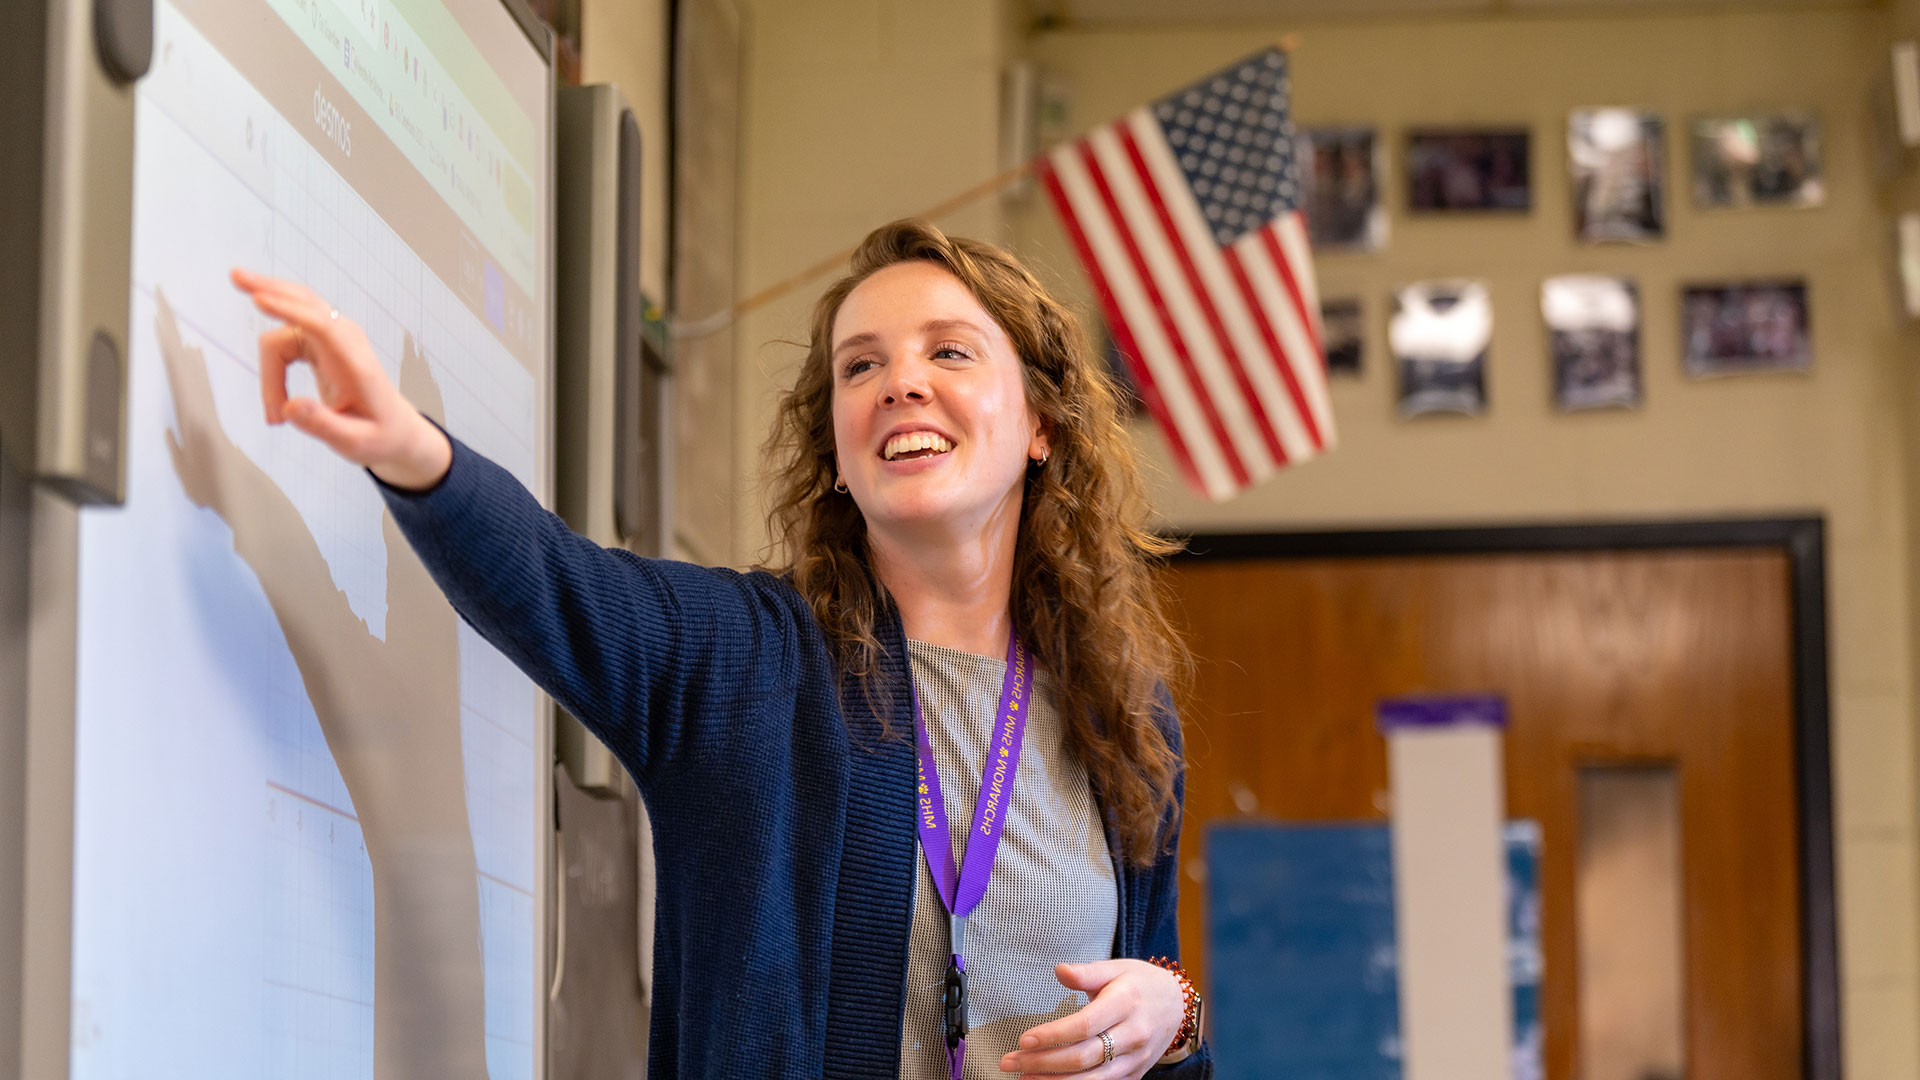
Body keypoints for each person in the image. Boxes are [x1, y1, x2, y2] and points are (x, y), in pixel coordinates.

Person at [228, 219, 1212, 1079]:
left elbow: (1154, 986)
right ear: (832, 447)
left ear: (1041, 423)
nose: (901, 381)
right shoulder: (741, 662)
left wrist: (1175, 1017)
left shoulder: (1117, 705)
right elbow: (558, 582)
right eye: (860, 365)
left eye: (950, 353)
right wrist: (409, 448)